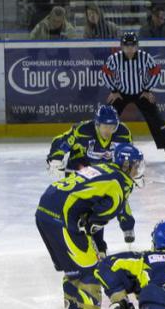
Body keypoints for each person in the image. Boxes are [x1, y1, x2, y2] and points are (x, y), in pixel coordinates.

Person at [35, 143, 145, 309]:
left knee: (73, 267)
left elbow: (89, 212)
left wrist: (94, 240)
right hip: (63, 218)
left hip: (44, 211)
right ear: (126, 165)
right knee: (91, 270)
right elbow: (93, 222)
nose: (138, 170)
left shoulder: (103, 168)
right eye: (136, 165)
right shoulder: (120, 184)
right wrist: (99, 247)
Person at [46, 105, 137, 249]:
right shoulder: (83, 130)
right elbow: (62, 142)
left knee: (118, 196)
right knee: (84, 205)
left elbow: (127, 155)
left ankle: (127, 224)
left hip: (106, 171)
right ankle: (93, 241)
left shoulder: (123, 134)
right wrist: (55, 159)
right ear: (96, 124)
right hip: (81, 168)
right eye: (104, 126)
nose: (108, 131)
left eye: (112, 127)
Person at [103, 31, 165, 160]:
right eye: (126, 46)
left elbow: (156, 71)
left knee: (157, 119)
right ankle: (102, 147)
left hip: (141, 93)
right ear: (121, 46)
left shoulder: (145, 57)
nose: (130, 49)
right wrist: (114, 90)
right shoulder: (115, 58)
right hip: (121, 93)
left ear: (137, 46)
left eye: (132, 46)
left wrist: (147, 90)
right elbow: (105, 73)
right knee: (105, 117)